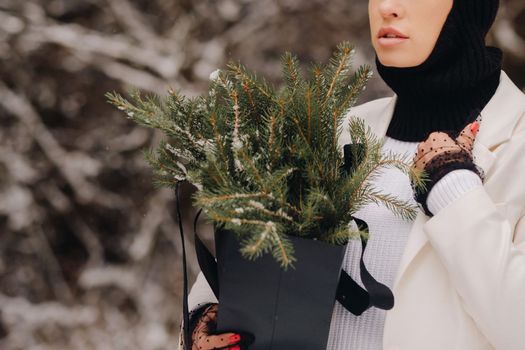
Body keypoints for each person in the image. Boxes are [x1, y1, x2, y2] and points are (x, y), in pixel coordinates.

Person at [182, 0, 525, 349]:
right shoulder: (333, 134)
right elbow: (240, 275)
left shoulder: (517, 142)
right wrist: (204, 320)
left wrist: (454, 189)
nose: (387, 7)